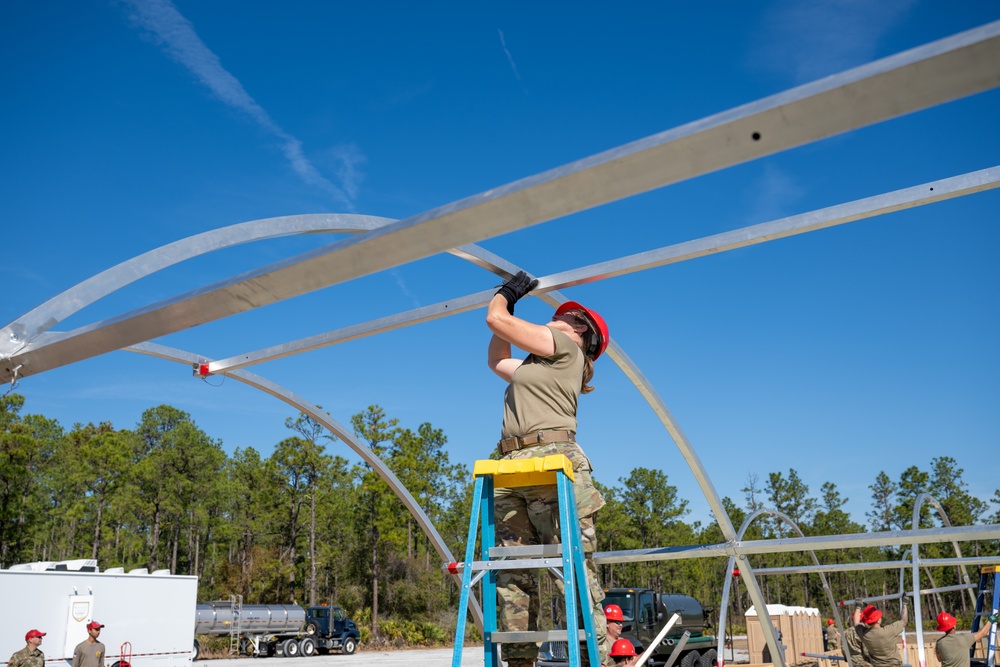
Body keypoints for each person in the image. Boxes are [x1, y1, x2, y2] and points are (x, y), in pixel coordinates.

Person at [487, 271, 611, 667]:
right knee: (513, 575)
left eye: (565, 316)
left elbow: (495, 319)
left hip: (552, 460)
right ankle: (520, 661)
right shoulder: (535, 366)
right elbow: (497, 359)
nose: (556, 318)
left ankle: (596, 659)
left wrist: (506, 296)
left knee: (572, 571)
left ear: (581, 331)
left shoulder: (568, 350)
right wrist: (509, 309)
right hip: (510, 466)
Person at [859, 603, 908, 667]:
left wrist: (858, 607)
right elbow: (904, 621)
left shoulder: (865, 634)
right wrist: (904, 604)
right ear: (878, 621)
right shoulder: (887, 631)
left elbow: (857, 624)